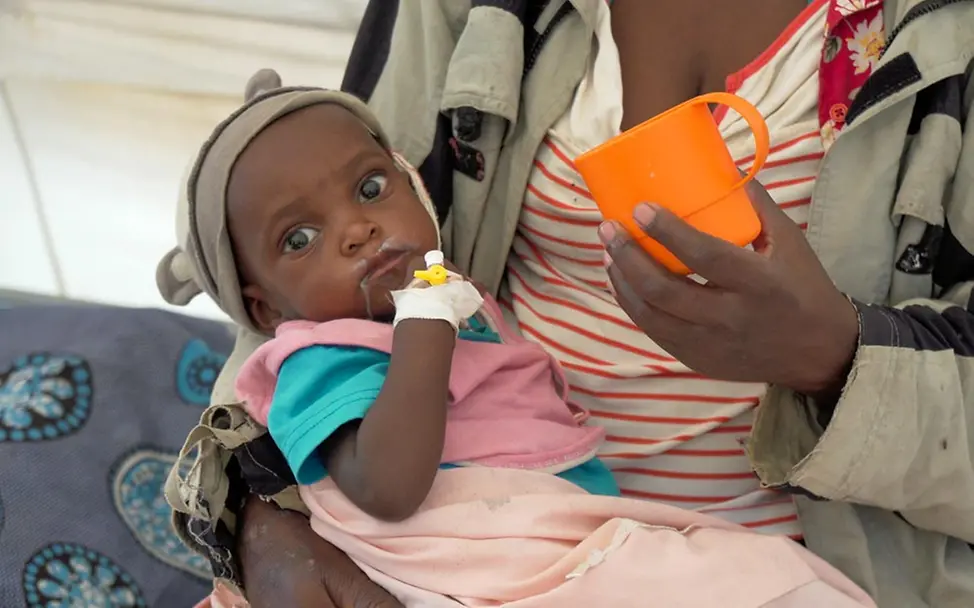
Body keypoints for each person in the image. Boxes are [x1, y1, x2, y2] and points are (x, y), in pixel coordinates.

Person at [156, 0, 974, 606]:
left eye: (376, 190)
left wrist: (836, 356)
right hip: (488, 552)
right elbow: (289, 309)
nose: (361, 231)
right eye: (306, 236)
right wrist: (261, 517)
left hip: (726, 565)